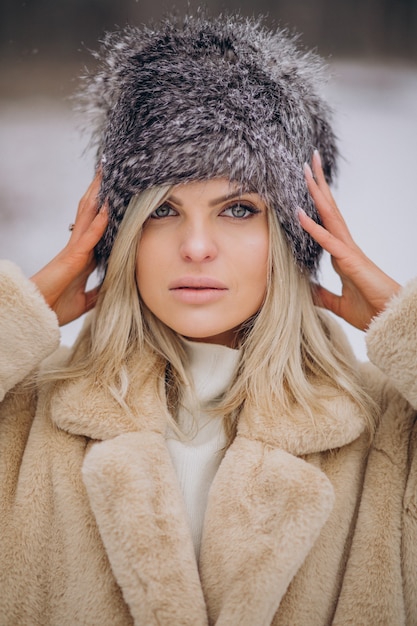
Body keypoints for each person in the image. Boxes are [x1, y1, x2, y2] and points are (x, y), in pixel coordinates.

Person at [0, 13, 416, 626]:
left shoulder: (385, 433)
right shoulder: (27, 415)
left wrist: (398, 318)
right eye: (163, 209)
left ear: (295, 239)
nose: (196, 246)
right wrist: (18, 314)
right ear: (120, 235)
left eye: (240, 210)